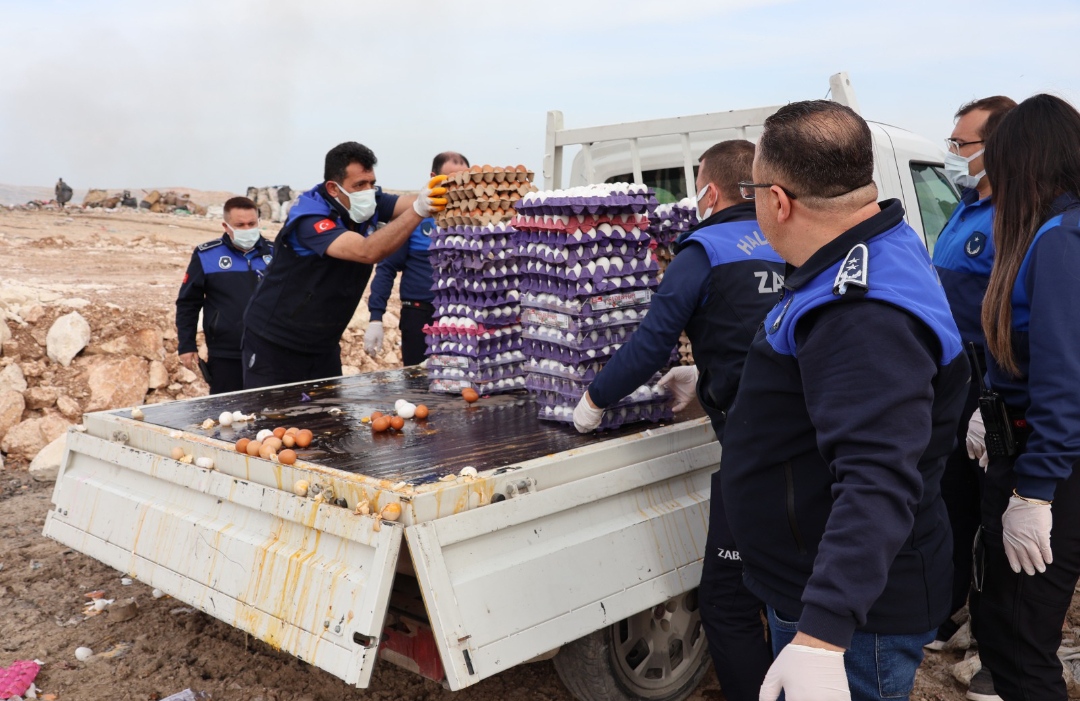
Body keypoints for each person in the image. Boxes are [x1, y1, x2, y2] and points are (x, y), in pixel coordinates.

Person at [721, 100, 970, 701]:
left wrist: (823, 633)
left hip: (853, 615)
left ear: (777, 200)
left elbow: (877, 477)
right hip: (826, 580)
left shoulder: (859, 313)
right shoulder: (874, 241)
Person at [573, 139, 782, 701]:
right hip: (812, 434)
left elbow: (651, 344)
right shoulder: (794, 237)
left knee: (727, 600)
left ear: (708, 191)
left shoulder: (705, 249)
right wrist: (709, 372)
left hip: (756, 448)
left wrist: (595, 400)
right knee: (790, 588)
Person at [965, 94, 1080, 701]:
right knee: (1012, 630)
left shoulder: (1059, 240)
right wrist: (991, 406)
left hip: (1048, 463)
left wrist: (1034, 491)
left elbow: (1064, 378)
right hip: (1042, 448)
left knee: (1017, 642)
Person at [928, 95, 1016, 701]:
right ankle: (948, 608)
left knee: (993, 512)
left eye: (962, 144)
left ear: (998, 146)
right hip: (950, 376)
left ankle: (995, 645)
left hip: (990, 380)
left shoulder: (1012, 216)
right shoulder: (964, 207)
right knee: (950, 497)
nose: (955, 153)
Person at [241, 142, 447, 389]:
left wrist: (446, 193)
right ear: (333, 188)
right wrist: (418, 210)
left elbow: (411, 202)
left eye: (371, 183)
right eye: (359, 185)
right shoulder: (310, 217)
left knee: (329, 411)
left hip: (323, 343)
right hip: (276, 343)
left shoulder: (366, 202)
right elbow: (366, 251)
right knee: (274, 412)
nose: (368, 191)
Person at [365, 152, 471, 366]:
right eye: (451, 179)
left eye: (464, 180)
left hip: (462, 317)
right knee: (418, 379)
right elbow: (387, 268)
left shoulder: (476, 222)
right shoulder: (413, 218)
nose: (458, 187)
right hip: (419, 315)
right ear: (434, 178)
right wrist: (376, 317)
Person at [176, 196, 273, 394]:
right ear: (226, 226)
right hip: (226, 354)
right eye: (240, 225)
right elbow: (188, 303)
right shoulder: (206, 255)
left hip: (270, 351)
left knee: (272, 408)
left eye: (252, 224)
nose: (247, 229)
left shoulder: (276, 254)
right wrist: (187, 345)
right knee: (228, 409)